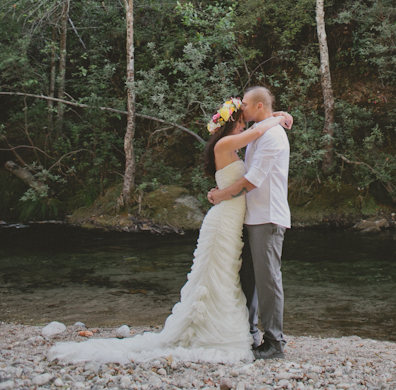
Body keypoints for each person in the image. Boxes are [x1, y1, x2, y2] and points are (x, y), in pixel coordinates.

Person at [49, 96, 292, 367]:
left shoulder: (252, 137)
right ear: (232, 121)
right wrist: (277, 117)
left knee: (233, 276)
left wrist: (275, 116)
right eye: (240, 115)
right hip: (230, 217)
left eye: (246, 108)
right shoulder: (231, 142)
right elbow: (256, 132)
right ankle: (235, 331)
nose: (244, 116)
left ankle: (254, 336)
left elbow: (256, 141)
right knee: (223, 274)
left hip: (248, 218)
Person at [207, 86, 290, 361]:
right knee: (248, 279)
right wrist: (277, 115)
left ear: (257, 107)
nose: (240, 107)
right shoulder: (261, 131)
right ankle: (250, 333)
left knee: (268, 280)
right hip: (251, 216)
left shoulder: (272, 136)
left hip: (267, 216)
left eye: (244, 104)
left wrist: (221, 195)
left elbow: (253, 180)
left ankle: (274, 342)